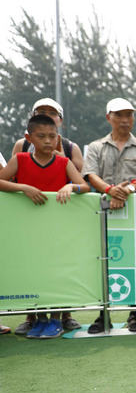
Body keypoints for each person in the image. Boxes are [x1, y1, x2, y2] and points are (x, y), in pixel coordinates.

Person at [0, 114, 87, 339]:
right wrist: (24, 188)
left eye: (52, 136)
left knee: (56, 272)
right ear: (29, 138)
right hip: (27, 230)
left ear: (58, 138)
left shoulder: (64, 162)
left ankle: (56, 320)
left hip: (57, 230)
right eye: (41, 136)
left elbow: (84, 186)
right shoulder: (19, 159)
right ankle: (38, 319)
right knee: (33, 272)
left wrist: (71, 188)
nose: (48, 141)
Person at [84, 97, 136, 333]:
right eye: (119, 115)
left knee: (132, 260)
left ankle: (134, 314)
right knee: (102, 261)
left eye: (129, 115)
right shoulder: (95, 146)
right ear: (109, 118)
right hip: (101, 212)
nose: (125, 120)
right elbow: (91, 175)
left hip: (133, 214)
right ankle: (101, 313)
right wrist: (109, 189)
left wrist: (127, 190)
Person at [12, 97, 84, 172]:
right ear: (33, 117)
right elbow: (12, 177)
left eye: (52, 113)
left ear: (61, 120)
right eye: (42, 112)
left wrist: (63, 161)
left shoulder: (71, 148)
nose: (46, 116)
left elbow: (81, 180)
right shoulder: (22, 145)